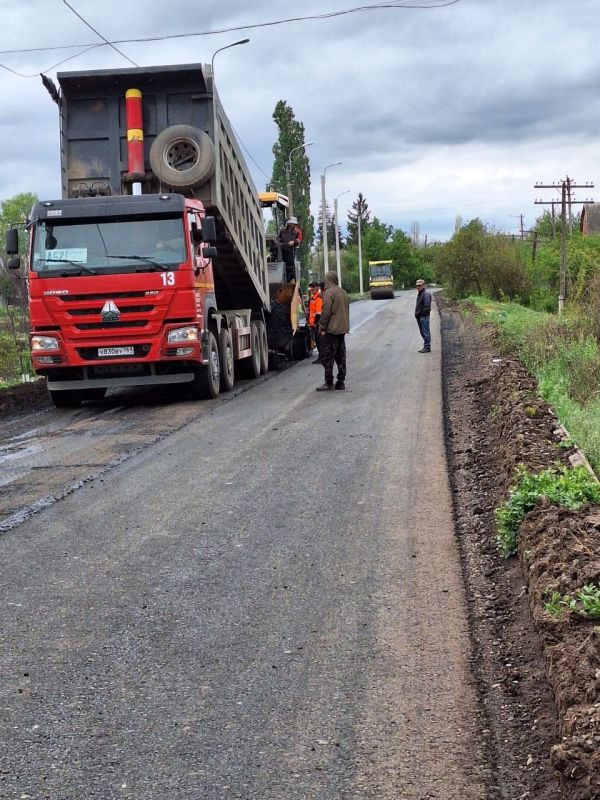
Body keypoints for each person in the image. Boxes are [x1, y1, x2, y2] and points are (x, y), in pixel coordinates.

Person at [316, 271, 350, 391]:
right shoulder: (343, 292)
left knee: (328, 356)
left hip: (332, 330)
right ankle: (341, 382)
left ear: (329, 280)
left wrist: (322, 326)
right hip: (342, 329)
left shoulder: (329, 293)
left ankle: (328, 382)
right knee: (341, 356)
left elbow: (326, 311)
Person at [308, 282, 323, 363]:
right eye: (311, 287)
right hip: (314, 324)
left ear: (318, 288)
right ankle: (321, 356)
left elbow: (318, 313)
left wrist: (315, 323)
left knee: (319, 340)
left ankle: (322, 357)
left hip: (317, 324)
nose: (312, 289)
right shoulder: (313, 297)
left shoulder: (318, 298)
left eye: (313, 287)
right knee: (317, 341)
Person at [415, 278, 432, 353]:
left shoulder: (426, 294)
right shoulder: (420, 294)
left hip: (423, 317)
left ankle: (427, 347)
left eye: (419, 285)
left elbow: (427, 306)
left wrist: (422, 315)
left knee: (425, 331)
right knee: (423, 332)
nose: (418, 287)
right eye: (417, 286)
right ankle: (426, 346)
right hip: (420, 317)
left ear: (424, 285)